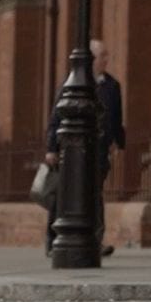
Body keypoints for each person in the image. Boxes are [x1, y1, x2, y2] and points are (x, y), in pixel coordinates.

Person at [44, 39, 124, 258]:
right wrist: (51, 148)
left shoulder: (112, 85)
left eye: (107, 55)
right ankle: (53, 241)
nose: (106, 60)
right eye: (102, 56)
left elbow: (116, 119)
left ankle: (95, 241)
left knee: (95, 195)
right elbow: (56, 117)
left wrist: (119, 142)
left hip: (99, 151)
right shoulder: (72, 83)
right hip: (71, 150)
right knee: (63, 196)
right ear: (90, 59)